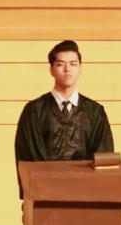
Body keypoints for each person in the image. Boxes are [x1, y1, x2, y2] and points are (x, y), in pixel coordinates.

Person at [14, 40, 114, 192]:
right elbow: (30, 157)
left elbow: (103, 157)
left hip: (85, 193)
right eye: (61, 64)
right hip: (45, 195)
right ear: (51, 69)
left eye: (73, 64)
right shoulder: (34, 111)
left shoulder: (95, 112)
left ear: (80, 68)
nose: (68, 69)